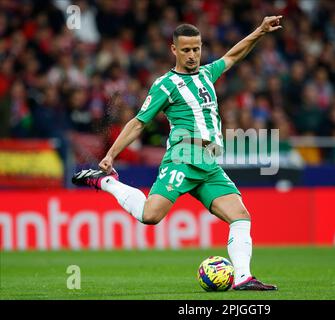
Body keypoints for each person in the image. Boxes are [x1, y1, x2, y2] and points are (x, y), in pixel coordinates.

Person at [72, 16, 283, 290]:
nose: (192, 55)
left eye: (196, 49)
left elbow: (234, 55)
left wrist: (260, 30)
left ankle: (243, 277)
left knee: (241, 217)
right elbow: (138, 122)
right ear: (174, 50)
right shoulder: (165, 84)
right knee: (151, 215)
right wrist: (111, 154)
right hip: (183, 159)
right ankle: (105, 181)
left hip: (209, 164)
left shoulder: (207, 74)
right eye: (186, 50)